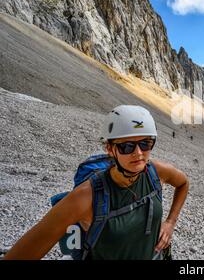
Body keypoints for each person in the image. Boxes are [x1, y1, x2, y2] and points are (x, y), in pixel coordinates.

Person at [4, 105, 189, 260]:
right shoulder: (86, 196)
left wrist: (170, 222)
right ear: (110, 149)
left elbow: (183, 183)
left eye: (146, 143)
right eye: (127, 146)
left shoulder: (156, 172)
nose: (139, 153)